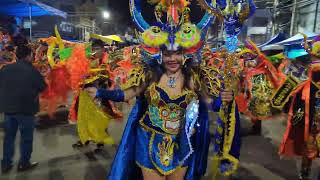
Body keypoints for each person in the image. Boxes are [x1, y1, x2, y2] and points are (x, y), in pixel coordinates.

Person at [85, 1, 240, 179]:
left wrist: (224, 99)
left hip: (182, 143)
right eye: (167, 54)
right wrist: (100, 93)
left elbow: (211, 104)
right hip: (148, 139)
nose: (172, 58)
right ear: (159, 55)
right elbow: (127, 94)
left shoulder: (193, 79)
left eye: (177, 53)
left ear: (185, 55)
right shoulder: (150, 76)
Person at [0, 45, 47, 174]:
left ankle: (5, 164)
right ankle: (23, 163)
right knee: (26, 138)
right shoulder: (32, 70)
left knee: (9, 137)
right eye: (31, 55)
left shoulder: (5, 69)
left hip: (9, 109)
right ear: (28, 56)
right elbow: (43, 87)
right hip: (26, 110)